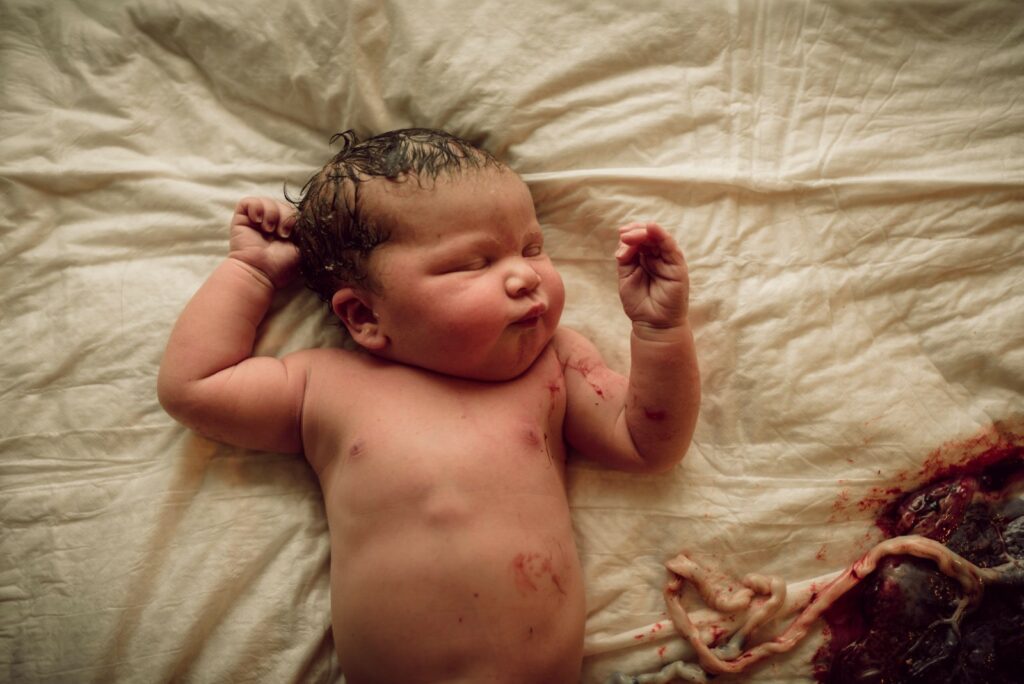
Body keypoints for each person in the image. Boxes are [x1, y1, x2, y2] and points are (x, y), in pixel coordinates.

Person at [157, 128, 700, 683]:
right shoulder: (325, 386)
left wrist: (660, 331)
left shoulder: (553, 366)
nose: (524, 275)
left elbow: (647, 443)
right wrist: (251, 272)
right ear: (365, 317)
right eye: (472, 263)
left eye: (532, 247)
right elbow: (196, 387)